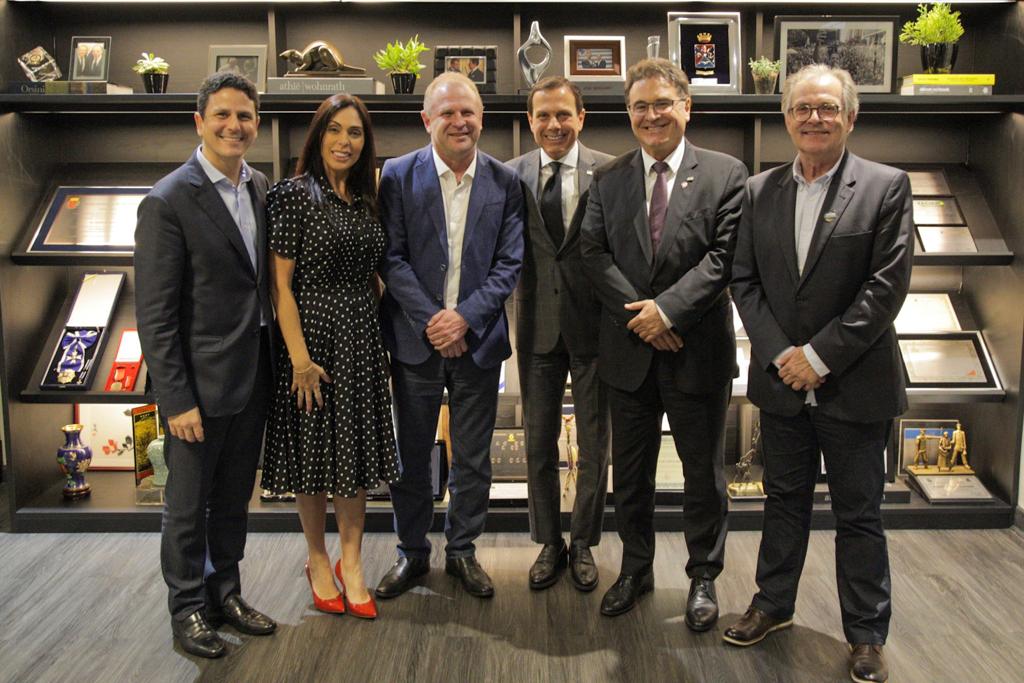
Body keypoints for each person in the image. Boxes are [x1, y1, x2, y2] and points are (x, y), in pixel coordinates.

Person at [726, 64, 914, 683]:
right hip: (782, 382)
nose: (815, 118)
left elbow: (885, 289)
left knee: (859, 513)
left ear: (850, 117)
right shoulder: (759, 191)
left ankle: (866, 634)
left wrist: (820, 357)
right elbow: (744, 281)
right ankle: (772, 604)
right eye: (802, 108)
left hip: (855, 384)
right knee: (783, 501)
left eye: (828, 108)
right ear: (786, 117)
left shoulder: (886, 187)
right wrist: (784, 353)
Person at [580, 58, 747, 625]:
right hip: (628, 352)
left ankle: (703, 576)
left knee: (704, 475)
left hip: (696, 350)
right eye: (639, 107)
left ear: (686, 107)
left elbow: (724, 257)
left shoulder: (726, 173)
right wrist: (644, 317)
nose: (651, 116)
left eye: (661, 104)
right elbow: (593, 253)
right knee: (630, 475)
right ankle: (636, 568)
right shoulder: (608, 178)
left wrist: (669, 312)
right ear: (628, 114)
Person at [135, 72, 276, 659]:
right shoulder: (167, 199)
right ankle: (187, 609)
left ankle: (226, 593)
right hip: (197, 387)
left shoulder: (260, 186)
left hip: (253, 376)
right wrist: (176, 400)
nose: (233, 126)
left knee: (233, 500)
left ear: (256, 124)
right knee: (187, 509)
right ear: (199, 122)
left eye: (244, 116)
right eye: (221, 115)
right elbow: (155, 315)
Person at [376, 72, 524, 600]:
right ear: (426, 120)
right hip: (415, 342)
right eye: (447, 113)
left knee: (474, 458)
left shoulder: (506, 181)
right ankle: (412, 552)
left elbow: (510, 263)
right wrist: (433, 321)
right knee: (411, 455)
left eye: (468, 112)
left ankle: (462, 550)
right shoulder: (397, 175)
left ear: (482, 118)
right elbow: (390, 256)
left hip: (478, 342)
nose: (459, 122)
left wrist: (463, 319)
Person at [261, 94, 400, 620]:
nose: (345, 141)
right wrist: (299, 359)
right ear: (318, 135)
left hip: (360, 342)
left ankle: (353, 562)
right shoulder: (293, 195)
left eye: (355, 132)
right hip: (311, 345)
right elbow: (280, 287)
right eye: (335, 130)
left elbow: (374, 275)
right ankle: (318, 559)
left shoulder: (366, 198)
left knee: (353, 460)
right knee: (314, 456)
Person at [506, 76, 613, 592]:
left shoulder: (611, 172)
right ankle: (549, 541)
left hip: (597, 328)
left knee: (595, 446)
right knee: (538, 445)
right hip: (536, 328)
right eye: (543, 116)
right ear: (530, 121)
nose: (554, 125)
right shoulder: (510, 175)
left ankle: (585, 542)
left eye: (563, 114)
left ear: (581, 117)